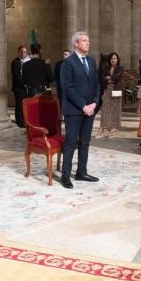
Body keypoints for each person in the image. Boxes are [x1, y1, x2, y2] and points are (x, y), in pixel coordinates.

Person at [59, 31, 100, 189]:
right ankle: (65, 176)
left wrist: (94, 104)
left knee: (85, 142)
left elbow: (97, 85)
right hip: (74, 110)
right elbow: (68, 89)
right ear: (76, 43)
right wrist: (83, 105)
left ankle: (81, 172)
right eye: (84, 41)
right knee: (70, 143)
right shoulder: (68, 63)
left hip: (90, 110)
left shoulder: (91, 61)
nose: (88, 43)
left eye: (88, 40)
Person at [97, 52, 123, 138]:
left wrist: (109, 78)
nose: (113, 60)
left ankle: (113, 128)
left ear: (117, 59)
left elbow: (118, 77)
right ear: (109, 60)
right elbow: (102, 78)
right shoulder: (106, 68)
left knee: (115, 110)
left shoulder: (120, 68)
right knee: (105, 109)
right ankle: (101, 128)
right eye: (112, 58)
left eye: (115, 58)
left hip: (116, 90)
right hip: (107, 90)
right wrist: (110, 78)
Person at [10, 45, 30, 127]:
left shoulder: (28, 62)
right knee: (19, 105)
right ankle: (19, 122)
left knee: (25, 105)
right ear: (18, 52)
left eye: (24, 52)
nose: (23, 53)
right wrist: (24, 83)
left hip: (27, 87)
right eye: (21, 52)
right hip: (19, 87)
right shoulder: (15, 62)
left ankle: (24, 120)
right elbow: (16, 75)